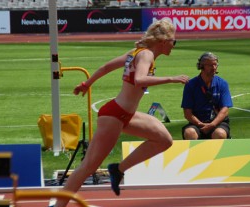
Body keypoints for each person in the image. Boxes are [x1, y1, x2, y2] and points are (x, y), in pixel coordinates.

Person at [54, 19, 189, 207]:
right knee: (88, 167)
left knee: (164, 139)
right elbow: (140, 80)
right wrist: (171, 78)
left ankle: (118, 169)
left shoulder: (136, 53)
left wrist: (87, 83)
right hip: (114, 115)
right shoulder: (146, 55)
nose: (174, 45)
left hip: (127, 115)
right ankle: (58, 205)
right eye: (173, 41)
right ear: (163, 41)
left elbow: (105, 67)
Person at [181, 52, 233, 140]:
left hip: (218, 123)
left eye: (215, 65)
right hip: (197, 123)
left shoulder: (222, 83)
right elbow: (187, 113)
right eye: (210, 65)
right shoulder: (191, 84)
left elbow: (225, 110)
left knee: (219, 133)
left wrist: (212, 124)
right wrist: (200, 124)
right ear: (201, 66)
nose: (214, 68)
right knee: (189, 133)